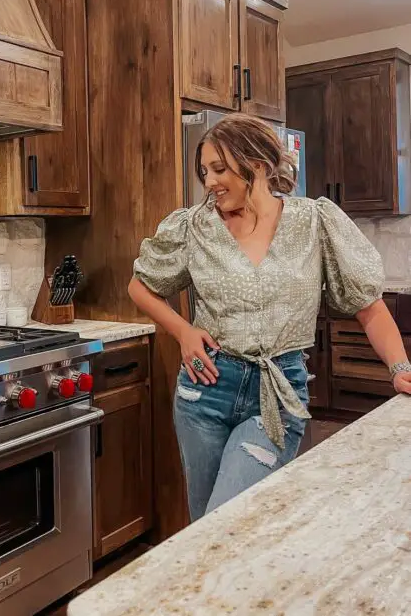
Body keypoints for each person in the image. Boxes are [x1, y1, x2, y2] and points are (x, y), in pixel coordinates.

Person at [128, 113, 411, 522]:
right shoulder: (194, 227)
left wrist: (399, 367)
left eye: (219, 169)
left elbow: (369, 305)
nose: (209, 182)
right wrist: (183, 332)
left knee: (229, 522)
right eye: (204, 171)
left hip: (277, 394)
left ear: (256, 165)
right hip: (204, 391)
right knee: (203, 528)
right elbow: (141, 285)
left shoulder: (313, 222)